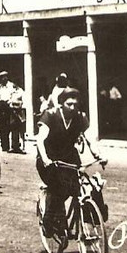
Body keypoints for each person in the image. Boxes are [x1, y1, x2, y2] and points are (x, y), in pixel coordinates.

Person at [36, 87, 106, 238]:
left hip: (69, 158)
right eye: (69, 104)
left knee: (84, 186)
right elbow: (40, 140)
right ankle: (49, 221)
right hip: (49, 159)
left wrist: (98, 155)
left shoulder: (80, 117)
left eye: (75, 104)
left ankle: (88, 217)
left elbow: (90, 139)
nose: (73, 107)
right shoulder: (50, 115)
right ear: (61, 103)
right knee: (58, 188)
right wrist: (46, 159)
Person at [0, 71, 18, 153]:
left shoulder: (11, 86)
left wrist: (11, 101)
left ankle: (14, 146)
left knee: (10, 126)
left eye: (4, 77)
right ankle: (4, 146)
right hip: (1, 106)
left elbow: (15, 95)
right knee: (2, 127)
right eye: (1, 77)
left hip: (9, 106)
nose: (3, 79)